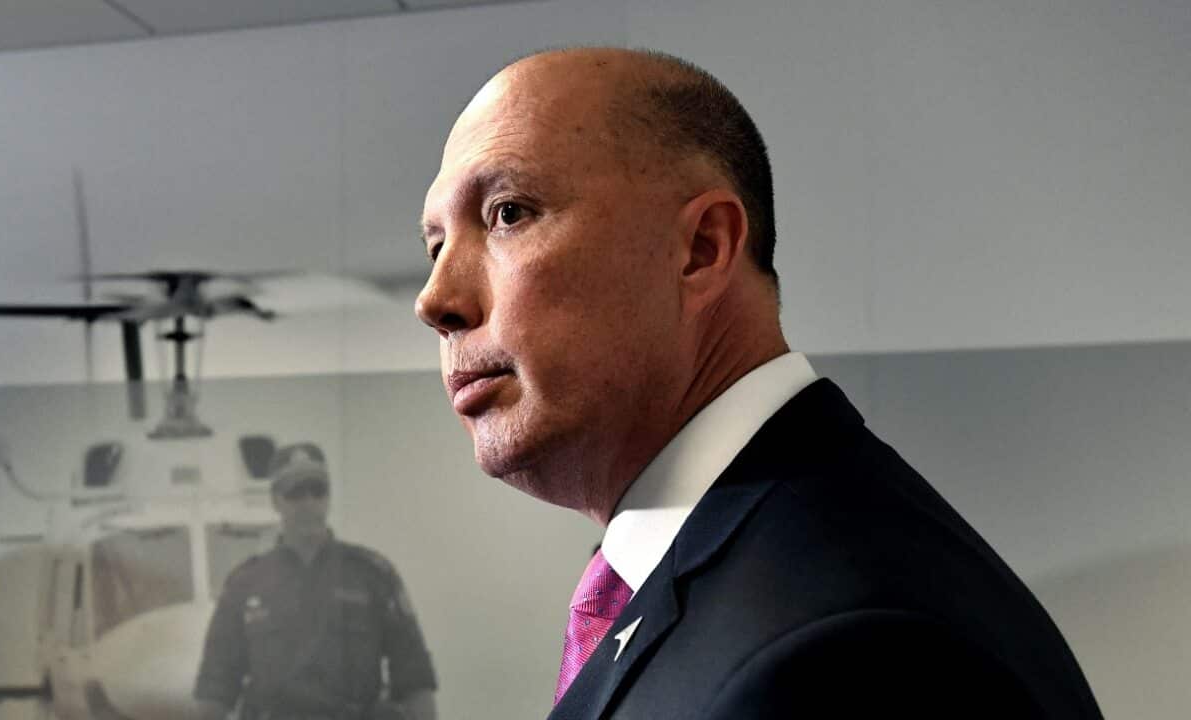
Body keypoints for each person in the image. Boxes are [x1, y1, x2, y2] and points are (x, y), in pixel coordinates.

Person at [415, 47, 1103, 719]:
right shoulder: (740, 564)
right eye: (436, 243)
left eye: (508, 213)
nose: (435, 299)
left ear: (702, 249)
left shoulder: (846, 650)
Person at [194, 443, 437, 720]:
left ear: (328, 498)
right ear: (276, 500)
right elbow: (215, 685)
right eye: (295, 493)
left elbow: (414, 676)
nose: (308, 503)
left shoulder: (372, 575)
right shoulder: (245, 584)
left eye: (317, 490)